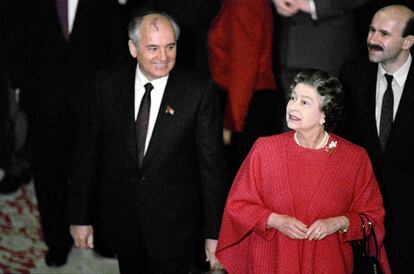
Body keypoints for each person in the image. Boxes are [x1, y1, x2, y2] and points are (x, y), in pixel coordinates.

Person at [69, 12, 228, 273]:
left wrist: (215, 234)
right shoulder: (106, 85)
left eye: (170, 47)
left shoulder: (198, 92)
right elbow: (87, 155)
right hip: (123, 226)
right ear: (133, 48)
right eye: (153, 48)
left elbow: (212, 170)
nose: (163, 57)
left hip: (176, 231)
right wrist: (80, 216)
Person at [215, 70, 390, 273]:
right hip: (273, 262)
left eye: (304, 102)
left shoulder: (354, 158)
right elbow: (237, 206)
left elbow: (372, 218)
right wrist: (273, 220)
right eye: (293, 98)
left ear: (325, 114)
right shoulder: (265, 150)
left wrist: (340, 223)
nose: (293, 106)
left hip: (328, 264)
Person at [15, 0, 126, 266]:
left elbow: (115, 42)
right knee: (48, 173)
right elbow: (17, 38)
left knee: (97, 169)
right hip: (44, 100)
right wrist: (20, 85)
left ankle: (102, 236)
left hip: (93, 100)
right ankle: (56, 241)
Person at [338, 5, 414, 273]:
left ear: (408, 42)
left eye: (384, 33)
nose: (373, 39)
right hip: (362, 208)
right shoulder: (352, 73)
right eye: (372, 30)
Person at [208, 0, 282, 176]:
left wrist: (231, 123)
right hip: (250, 102)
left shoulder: (243, 4)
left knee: (241, 182)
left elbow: (243, 70)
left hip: (245, 106)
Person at [272, 0, 372, 130]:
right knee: (291, 125)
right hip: (286, 47)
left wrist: (312, 4)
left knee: (325, 126)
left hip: (326, 48)